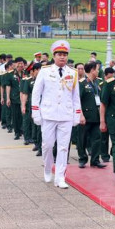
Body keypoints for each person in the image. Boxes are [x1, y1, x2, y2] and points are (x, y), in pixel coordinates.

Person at [31, 40, 81, 189]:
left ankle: (60, 177)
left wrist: (76, 114)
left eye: (65, 55)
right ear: (54, 56)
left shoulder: (72, 73)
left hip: (65, 115)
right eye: (59, 54)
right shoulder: (45, 71)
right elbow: (36, 93)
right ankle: (47, 168)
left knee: (63, 147)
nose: (62, 57)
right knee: (47, 145)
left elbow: (75, 96)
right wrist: (36, 113)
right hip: (48, 114)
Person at [77, 62, 106, 169]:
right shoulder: (81, 83)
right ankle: (82, 159)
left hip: (97, 116)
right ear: (92, 70)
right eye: (97, 69)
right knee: (82, 139)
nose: (98, 71)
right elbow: (77, 100)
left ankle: (95, 160)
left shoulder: (98, 82)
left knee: (97, 139)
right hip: (85, 116)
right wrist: (80, 115)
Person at [5, 57, 24, 140]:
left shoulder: (26, 73)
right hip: (14, 98)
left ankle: (22, 130)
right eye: (18, 63)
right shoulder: (10, 74)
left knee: (23, 116)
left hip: (24, 98)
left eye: (22, 63)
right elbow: (8, 86)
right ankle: (17, 132)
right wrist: (8, 98)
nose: (20, 65)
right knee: (15, 116)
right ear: (15, 64)